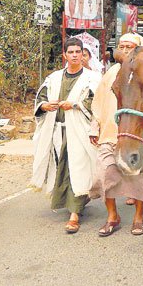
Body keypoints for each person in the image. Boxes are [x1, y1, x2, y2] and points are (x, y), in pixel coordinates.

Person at [90, 33, 143, 237]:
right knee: (105, 174)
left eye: (130, 47)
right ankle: (112, 217)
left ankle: (138, 218)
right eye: (122, 46)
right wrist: (94, 127)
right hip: (110, 134)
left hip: (135, 137)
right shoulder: (111, 73)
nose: (125, 50)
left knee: (136, 176)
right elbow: (99, 102)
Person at [30, 37, 101, 233]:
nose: (75, 55)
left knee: (77, 169)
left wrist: (76, 105)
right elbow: (41, 98)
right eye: (71, 52)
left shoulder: (92, 78)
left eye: (78, 52)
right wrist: (45, 106)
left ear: (83, 54)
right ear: (65, 55)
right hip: (57, 131)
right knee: (62, 168)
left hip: (80, 131)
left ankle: (74, 214)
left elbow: (97, 102)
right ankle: (71, 203)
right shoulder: (53, 78)